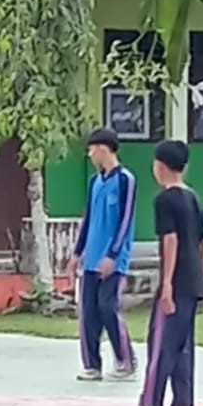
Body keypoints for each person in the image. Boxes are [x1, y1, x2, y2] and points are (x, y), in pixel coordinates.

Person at [119, 140, 203, 406]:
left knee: (161, 343)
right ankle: (182, 405)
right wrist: (198, 272)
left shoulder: (165, 200)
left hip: (176, 281)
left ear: (159, 166)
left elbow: (170, 241)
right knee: (183, 346)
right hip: (193, 281)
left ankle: (152, 405)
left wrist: (167, 283)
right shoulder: (193, 197)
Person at [69, 127, 137, 381]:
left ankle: (126, 361)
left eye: (91, 149)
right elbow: (88, 219)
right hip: (91, 259)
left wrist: (113, 254)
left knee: (108, 307)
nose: (89, 154)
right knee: (88, 312)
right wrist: (77, 253)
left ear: (103, 149)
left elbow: (126, 220)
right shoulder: (95, 182)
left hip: (113, 260)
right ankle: (92, 365)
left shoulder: (125, 180)